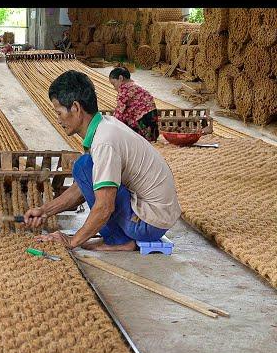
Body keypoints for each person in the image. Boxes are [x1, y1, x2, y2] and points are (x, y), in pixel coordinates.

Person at [23, 71, 181, 251]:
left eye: (59, 113)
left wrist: (72, 242)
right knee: (85, 167)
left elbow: (105, 206)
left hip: (147, 224)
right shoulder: (105, 126)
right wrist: (44, 211)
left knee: (84, 167)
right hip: (156, 217)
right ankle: (120, 236)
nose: (58, 120)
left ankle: (119, 240)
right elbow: (81, 189)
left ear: (76, 107)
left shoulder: (104, 142)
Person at [108, 67, 160, 142]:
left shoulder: (124, 88)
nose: (114, 87)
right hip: (152, 118)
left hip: (142, 120)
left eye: (114, 84)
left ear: (120, 78)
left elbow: (119, 111)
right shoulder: (135, 85)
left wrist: (111, 125)